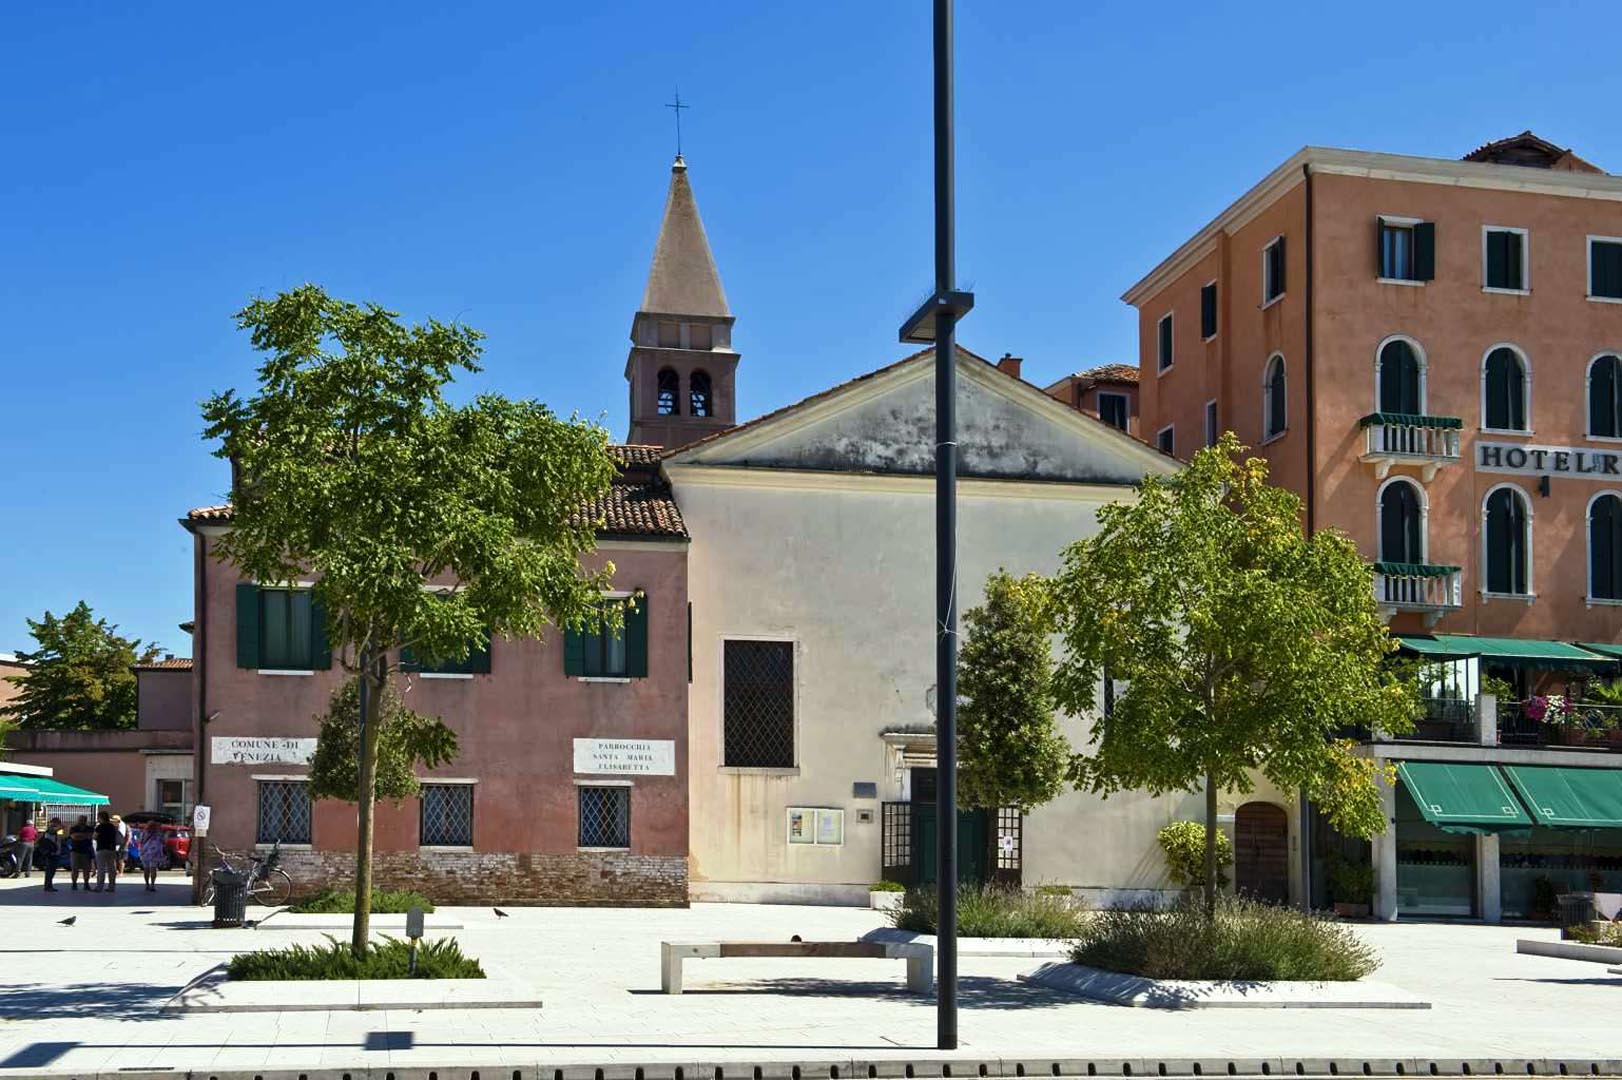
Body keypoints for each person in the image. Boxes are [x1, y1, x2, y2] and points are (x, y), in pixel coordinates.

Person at [93, 810, 121, 892]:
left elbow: (94, 837)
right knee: (112, 868)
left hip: (101, 849)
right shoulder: (112, 827)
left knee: (101, 869)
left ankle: (99, 887)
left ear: (101, 818)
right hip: (111, 849)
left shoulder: (100, 827)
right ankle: (111, 886)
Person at [67, 815, 94, 891]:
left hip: (86, 851)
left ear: (86, 820)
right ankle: (74, 884)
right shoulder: (74, 828)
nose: (82, 821)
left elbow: (90, 836)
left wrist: (79, 836)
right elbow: (74, 837)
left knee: (86, 869)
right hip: (75, 851)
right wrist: (85, 836)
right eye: (80, 819)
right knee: (74, 868)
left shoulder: (90, 828)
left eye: (83, 820)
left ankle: (86, 884)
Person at [35, 818, 61, 892]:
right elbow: (52, 833)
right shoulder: (50, 830)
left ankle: (49, 885)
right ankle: (48, 886)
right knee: (50, 870)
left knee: (52, 870)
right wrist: (59, 828)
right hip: (51, 853)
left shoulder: (53, 831)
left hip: (54, 853)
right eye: (57, 823)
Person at [137, 822, 164, 892]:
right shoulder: (158, 834)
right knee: (153, 869)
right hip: (155, 853)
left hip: (145, 852)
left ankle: (147, 884)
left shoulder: (144, 833)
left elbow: (140, 841)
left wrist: (140, 851)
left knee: (146, 869)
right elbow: (162, 842)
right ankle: (152, 884)